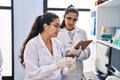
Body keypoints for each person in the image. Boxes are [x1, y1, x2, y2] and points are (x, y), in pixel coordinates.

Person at [18, 12, 76, 80]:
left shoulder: (58, 44)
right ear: (46, 26)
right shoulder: (32, 45)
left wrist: (69, 69)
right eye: (56, 26)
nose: (59, 29)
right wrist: (55, 66)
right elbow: (32, 74)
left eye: (59, 26)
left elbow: (61, 70)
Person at [57, 5, 91, 80]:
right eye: (69, 18)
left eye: (74, 19)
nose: (71, 22)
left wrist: (79, 53)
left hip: (77, 73)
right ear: (64, 17)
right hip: (62, 73)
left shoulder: (82, 32)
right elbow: (53, 54)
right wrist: (67, 52)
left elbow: (87, 53)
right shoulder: (57, 32)